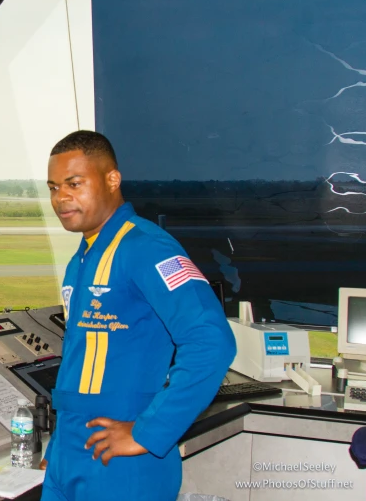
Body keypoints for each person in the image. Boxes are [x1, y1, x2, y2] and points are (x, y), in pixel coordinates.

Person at [39, 131, 237, 500]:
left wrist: (148, 431)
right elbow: (81, 359)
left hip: (122, 455)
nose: (60, 197)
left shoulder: (146, 248)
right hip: (71, 447)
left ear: (112, 179)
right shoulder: (81, 260)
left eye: (74, 184)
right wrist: (59, 444)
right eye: (53, 187)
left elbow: (212, 341)